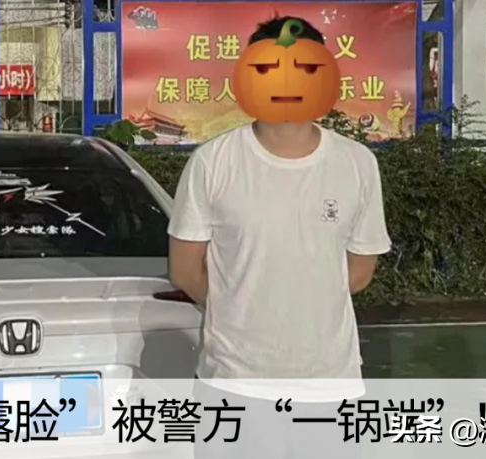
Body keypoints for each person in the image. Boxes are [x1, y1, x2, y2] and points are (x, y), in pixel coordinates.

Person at [166, 16, 391, 459]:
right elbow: (185, 269)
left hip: (329, 384)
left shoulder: (357, 163)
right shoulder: (214, 162)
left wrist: (297, 297)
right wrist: (243, 304)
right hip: (234, 385)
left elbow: (360, 270)